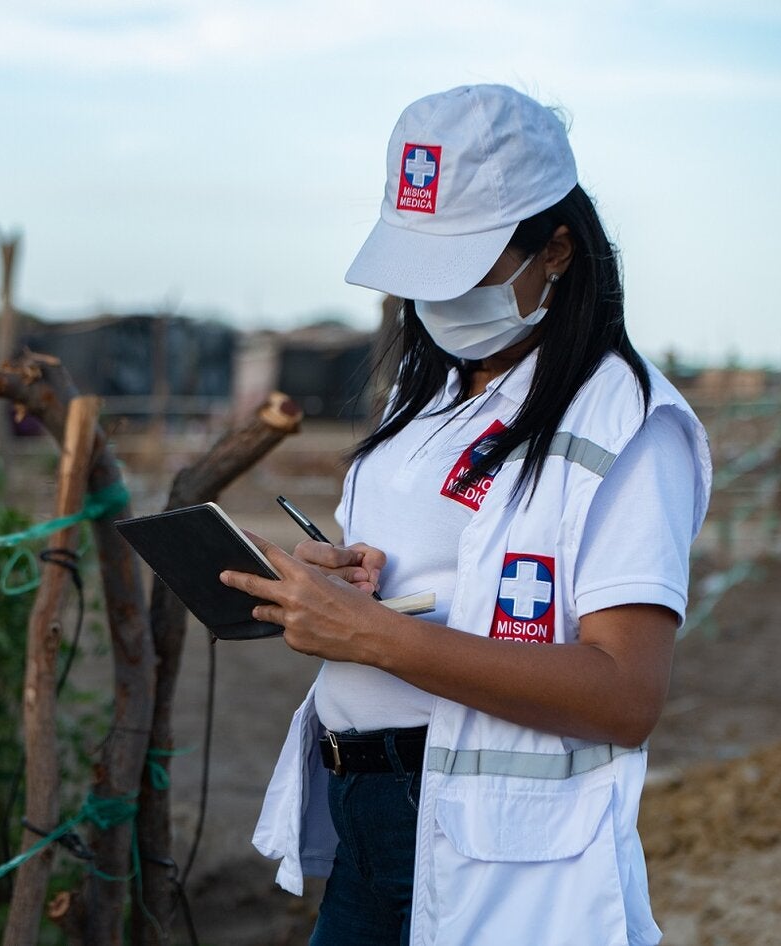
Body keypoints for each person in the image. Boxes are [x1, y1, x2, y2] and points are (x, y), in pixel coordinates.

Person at [222, 85, 711, 945]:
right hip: (364, 823)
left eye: (463, 269)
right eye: (420, 272)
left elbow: (626, 695)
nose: (436, 301)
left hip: (486, 846)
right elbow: (440, 573)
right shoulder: (429, 392)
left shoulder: (629, 427)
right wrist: (345, 580)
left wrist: (374, 636)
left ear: (556, 248)